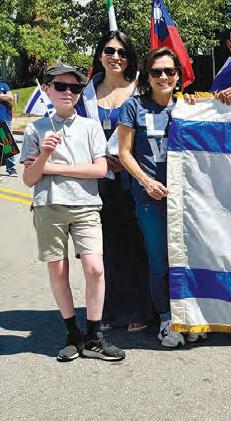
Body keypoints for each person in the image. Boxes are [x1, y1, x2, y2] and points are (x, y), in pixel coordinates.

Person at [21, 62, 126, 362]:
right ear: (47, 90)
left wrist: (52, 167)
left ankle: (95, 335)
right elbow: (29, 179)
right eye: (60, 86)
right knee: (58, 270)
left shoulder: (90, 127)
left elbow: (100, 170)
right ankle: (72, 333)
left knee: (95, 268)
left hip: (86, 205)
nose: (68, 92)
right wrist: (44, 154)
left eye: (75, 87)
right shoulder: (36, 129)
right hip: (48, 205)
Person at [119, 48, 198, 348]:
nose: (163, 77)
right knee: (159, 261)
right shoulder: (134, 106)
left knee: (189, 259)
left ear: (178, 75)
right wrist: (146, 181)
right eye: (156, 72)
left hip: (187, 199)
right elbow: (124, 152)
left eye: (169, 71)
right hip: (151, 198)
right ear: (147, 76)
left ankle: (188, 315)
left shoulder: (189, 106)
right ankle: (166, 318)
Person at [76, 31, 154, 332]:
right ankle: (106, 310)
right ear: (100, 55)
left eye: (122, 52)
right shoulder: (85, 95)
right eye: (109, 51)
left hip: (134, 178)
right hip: (96, 182)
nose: (115, 57)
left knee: (135, 244)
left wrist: (129, 160)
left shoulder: (140, 89)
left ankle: (138, 309)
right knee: (103, 247)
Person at [0, 75, 17, 176]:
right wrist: (3, 97)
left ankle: (11, 169)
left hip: (4, 119)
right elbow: (6, 97)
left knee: (8, 144)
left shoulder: (4, 85)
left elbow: (10, 97)